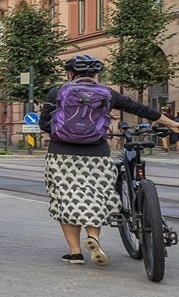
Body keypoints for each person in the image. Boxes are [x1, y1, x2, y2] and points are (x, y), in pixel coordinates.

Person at [41, 55, 179, 265]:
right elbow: (140, 109)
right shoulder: (107, 93)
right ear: (96, 75)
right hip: (97, 153)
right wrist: (171, 124)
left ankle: (75, 253)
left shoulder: (57, 92)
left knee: (65, 199)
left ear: (70, 74)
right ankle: (93, 238)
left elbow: (44, 124)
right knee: (94, 197)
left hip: (61, 153)